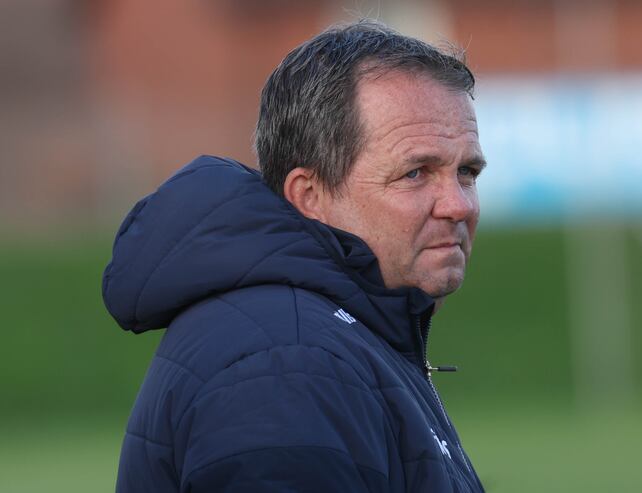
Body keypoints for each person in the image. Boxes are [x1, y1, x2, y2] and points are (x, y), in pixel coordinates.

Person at [103, 20, 486, 492]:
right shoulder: (287, 363)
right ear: (308, 194)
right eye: (415, 173)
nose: (459, 205)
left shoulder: (325, 334)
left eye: (466, 172)